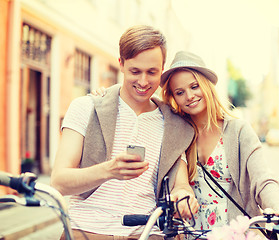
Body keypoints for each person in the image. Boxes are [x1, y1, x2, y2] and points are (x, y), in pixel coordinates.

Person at [51, 26, 198, 240]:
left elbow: (181, 183)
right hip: (88, 230)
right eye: (135, 71)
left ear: (162, 68)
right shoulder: (85, 108)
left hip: (148, 232)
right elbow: (59, 182)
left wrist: (184, 196)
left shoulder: (174, 124)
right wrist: (108, 170)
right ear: (121, 63)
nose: (143, 82)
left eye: (152, 72)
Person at [159, 51, 279, 237]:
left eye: (194, 86)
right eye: (180, 92)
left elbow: (262, 178)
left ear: (206, 85)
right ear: (174, 98)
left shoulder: (238, 130)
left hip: (235, 232)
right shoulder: (177, 134)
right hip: (192, 233)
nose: (189, 96)